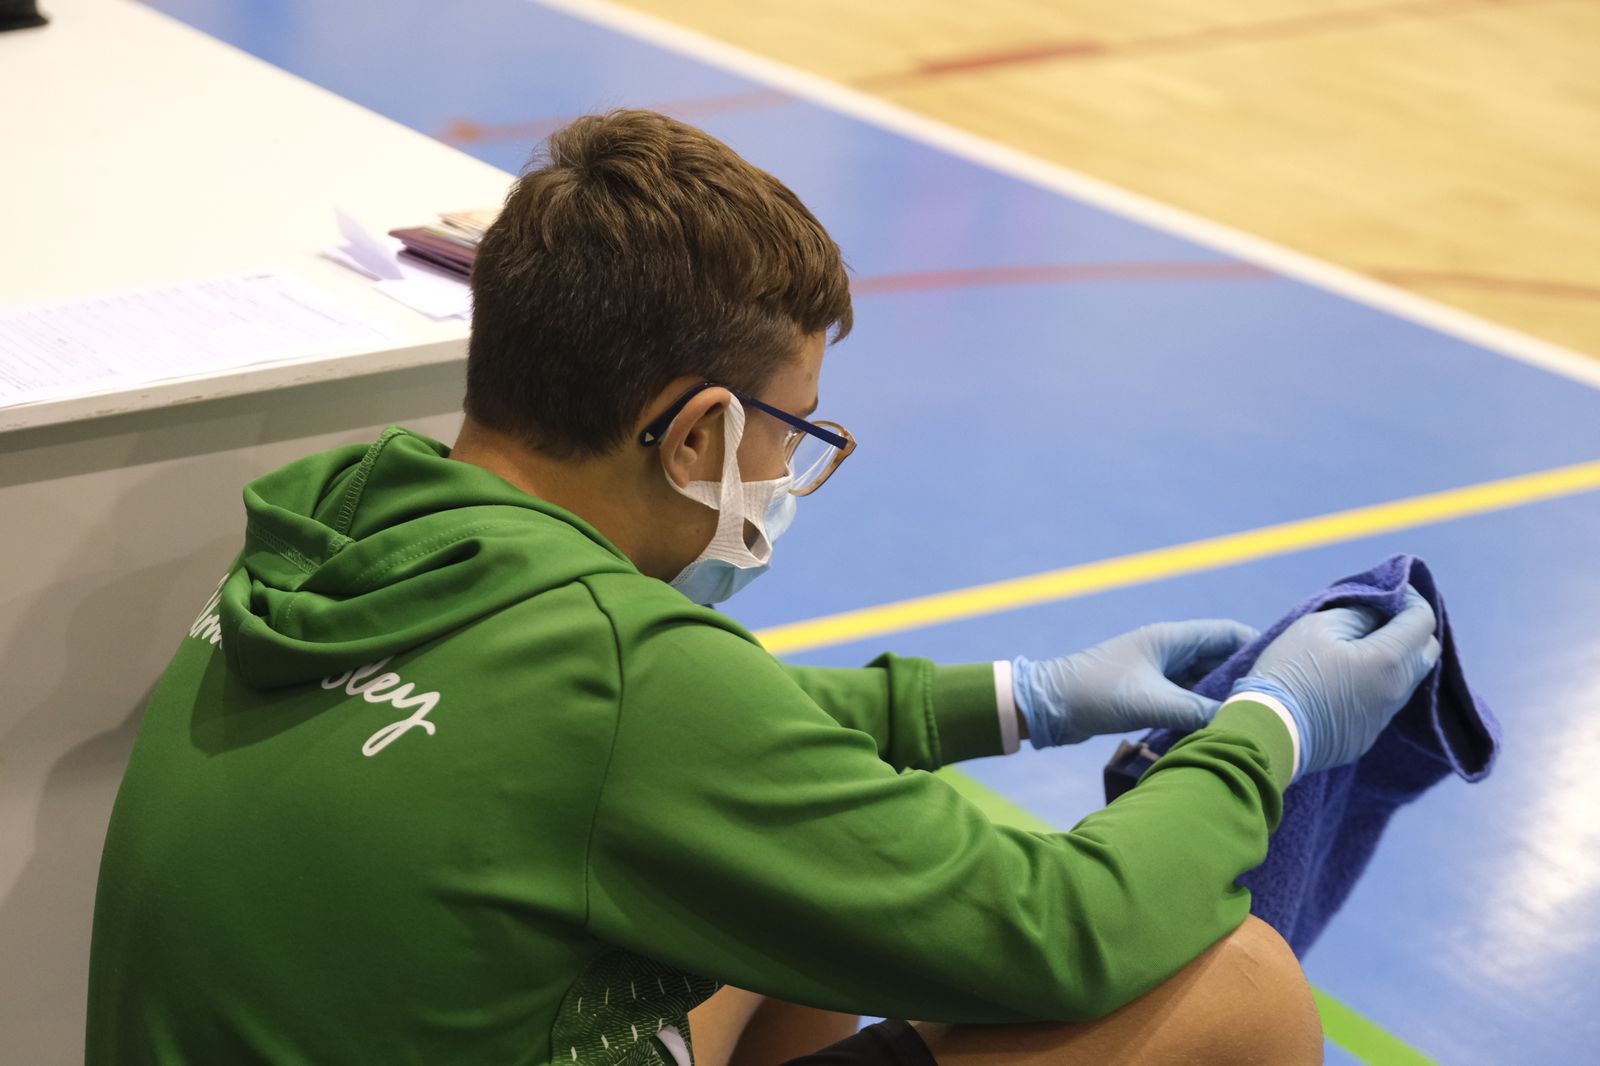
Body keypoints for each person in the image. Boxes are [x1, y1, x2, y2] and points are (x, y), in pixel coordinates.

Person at [86, 110, 1440, 1065]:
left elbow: (663, 745)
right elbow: (1070, 929)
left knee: (784, 920)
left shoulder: (338, 522)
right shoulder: (623, 675)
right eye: (793, 429)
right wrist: (1269, 727)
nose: (791, 468)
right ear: (696, 436)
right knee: (1240, 987)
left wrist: (1012, 700)